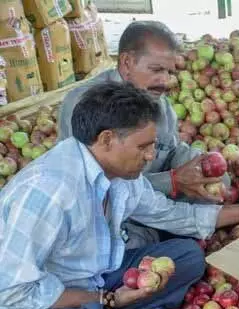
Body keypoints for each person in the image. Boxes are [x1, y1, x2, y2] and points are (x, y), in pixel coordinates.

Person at [0, 82, 239, 309]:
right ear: (107, 139)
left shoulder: (121, 176)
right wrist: (108, 299)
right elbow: (14, 289)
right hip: (21, 307)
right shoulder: (48, 192)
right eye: (144, 146)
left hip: (93, 277)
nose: (152, 156)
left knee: (188, 256)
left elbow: (177, 216)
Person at [58, 20, 221, 248]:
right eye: (156, 70)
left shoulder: (158, 104)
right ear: (126, 63)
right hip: (108, 207)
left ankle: (176, 234)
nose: (164, 81)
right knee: (132, 242)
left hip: (151, 199)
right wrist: (172, 182)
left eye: (169, 72)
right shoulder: (86, 105)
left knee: (217, 182)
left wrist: (199, 165)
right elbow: (99, 185)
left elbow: (172, 150)